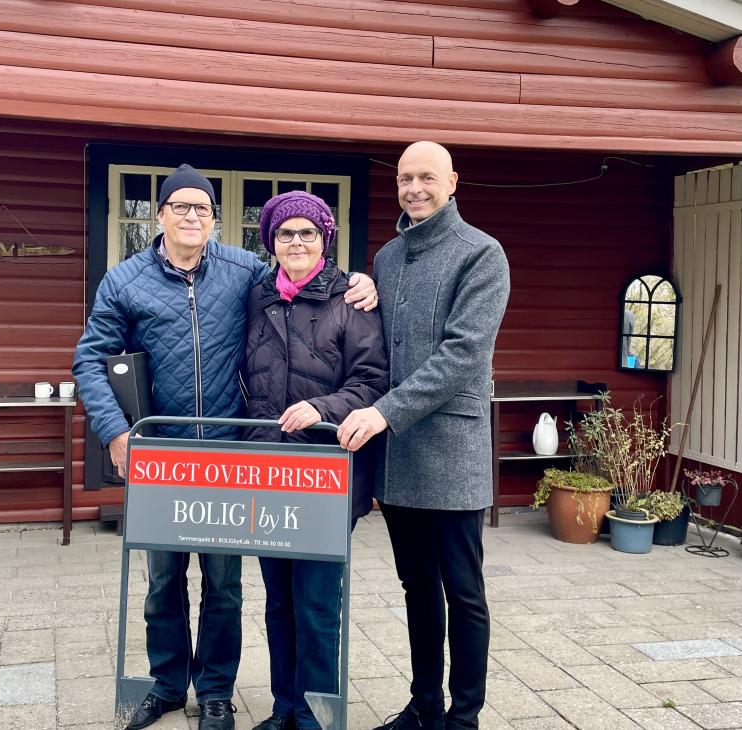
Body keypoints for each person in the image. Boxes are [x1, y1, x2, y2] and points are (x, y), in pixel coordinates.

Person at [72, 164, 378, 730]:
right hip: (161, 455)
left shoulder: (243, 271)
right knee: (164, 580)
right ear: (160, 215)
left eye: (203, 209)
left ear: (215, 219)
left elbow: (304, 275)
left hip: (230, 455)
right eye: (180, 207)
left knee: (224, 582)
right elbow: (91, 359)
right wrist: (116, 432)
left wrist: (359, 281)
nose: (192, 217)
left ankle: (216, 690)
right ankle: (166, 683)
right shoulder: (124, 281)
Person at [337, 142, 511, 730]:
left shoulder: (482, 255)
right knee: (416, 588)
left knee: (462, 593)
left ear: (453, 181)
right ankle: (424, 707)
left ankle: (463, 718)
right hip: (400, 456)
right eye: (406, 178)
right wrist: (363, 293)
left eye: (427, 178)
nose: (415, 187)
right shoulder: (387, 257)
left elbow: (462, 354)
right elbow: (381, 340)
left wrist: (384, 412)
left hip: (451, 451)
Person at [243, 191, 389, 730]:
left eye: (308, 232)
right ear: (271, 242)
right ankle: (284, 706)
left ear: (324, 240)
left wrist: (320, 407)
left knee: (317, 603)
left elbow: (373, 381)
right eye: (285, 233)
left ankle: (315, 714)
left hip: (325, 472)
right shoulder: (256, 297)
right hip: (266, 468)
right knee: (278, 599)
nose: (297, 241)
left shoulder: (351, 299)